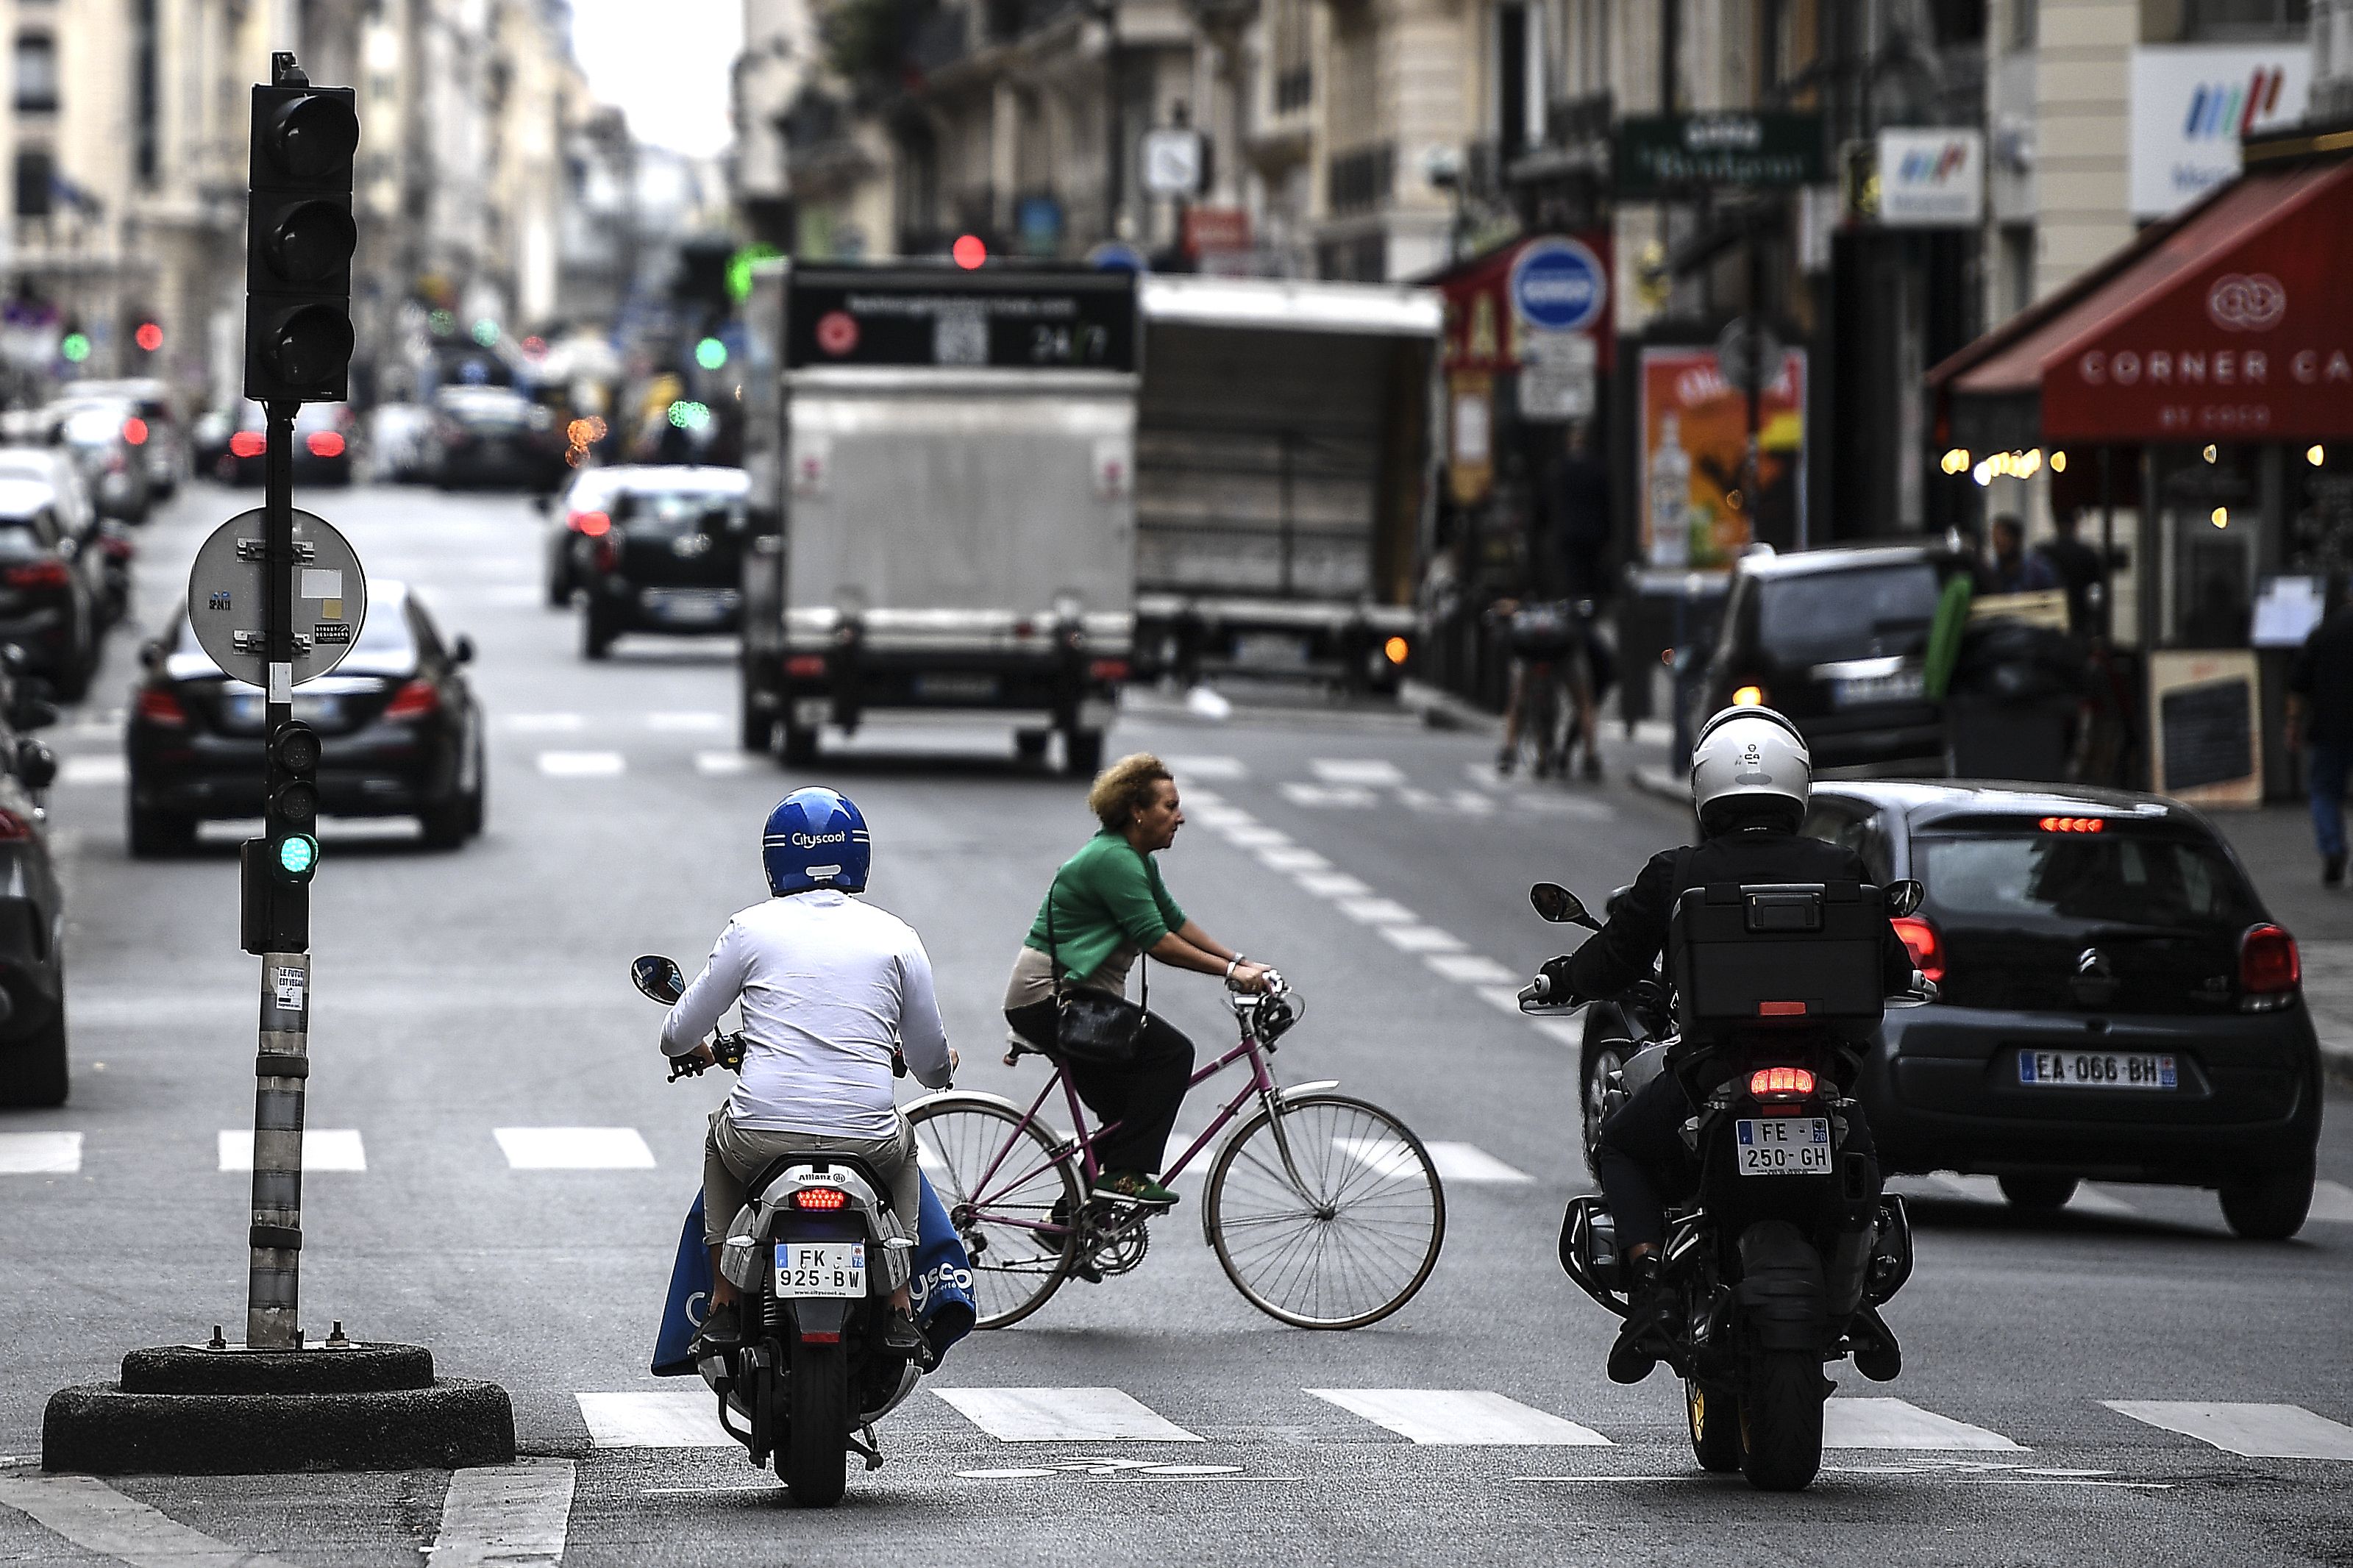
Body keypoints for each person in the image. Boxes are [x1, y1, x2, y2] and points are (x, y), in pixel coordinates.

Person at [1545, 705, 1917, 1384]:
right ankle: (1857, 1295)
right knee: (1860, 1143)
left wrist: (1559, 979)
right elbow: (1890, 969)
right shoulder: (1839, 867)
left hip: (1711, 1069)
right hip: (1822, 1070)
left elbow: (1611, 961)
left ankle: (1651, 1287)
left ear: (1705, 788)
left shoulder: (1676, 870)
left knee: (1623, 1145)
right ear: (1795, 786)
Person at [661, 787, 955, 1356]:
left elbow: (676, 1034)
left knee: (717, 1146)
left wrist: (698, 1047)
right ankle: (897, 1303)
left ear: (775, 857)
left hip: (760, 1135)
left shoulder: (749, 929)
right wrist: (938, 1069)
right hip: (867, 1139)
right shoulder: (898, 937)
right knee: (908, 1149)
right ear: (858, 855)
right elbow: (929, 1063)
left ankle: (723, 1300)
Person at [1003, 753, 1275, 1206]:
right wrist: (1231, 973)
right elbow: (1158, 941)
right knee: (1172, 1054)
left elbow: (1174, 921)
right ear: (1138, 811)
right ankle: (1124, 1180)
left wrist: (1241, 961)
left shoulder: (1136, 859)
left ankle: (1074, 1220)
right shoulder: (1114, 859)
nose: (1180, 817)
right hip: (1049, 998)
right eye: (1170, 807)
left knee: (1125, 1111)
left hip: (1075, 996)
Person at [2288, 583, 2353, 887]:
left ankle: (2332, 848)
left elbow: (2299, 686)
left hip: (2329, 728)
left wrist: (2293, 725)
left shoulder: (2323, 633)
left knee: (2325, 792)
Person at [2035, 510, 2105, 635]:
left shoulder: (2042, 553)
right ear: (2075, 524)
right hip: (2079, 616)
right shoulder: (2087, 554)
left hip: (2049, 620)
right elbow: (2097, 591)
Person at [1985, 514, 2061, 595]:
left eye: (2004, 537)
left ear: (2017, 539)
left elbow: (2054, 597)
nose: (1999, 542)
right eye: (1995, 539)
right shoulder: (1993, 573)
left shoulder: (2038, 570)